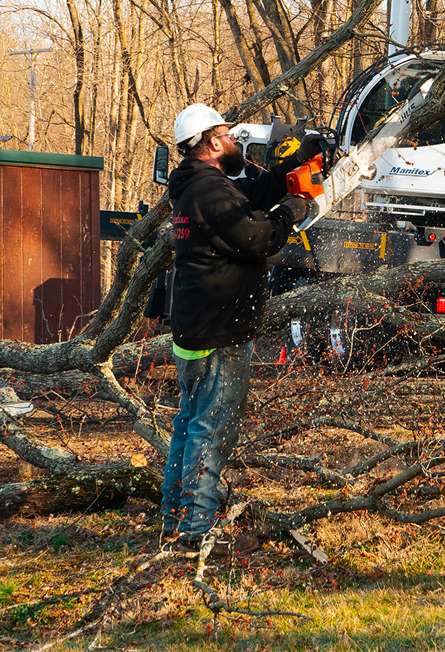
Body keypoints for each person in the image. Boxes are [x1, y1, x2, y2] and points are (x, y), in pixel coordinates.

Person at [161, 103, 319, 554]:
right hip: (220, 332)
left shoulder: (198, 188)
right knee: (211, 430)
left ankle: (175, 520)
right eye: (229, 136)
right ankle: (194, 532)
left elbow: (249, 194)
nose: (234, 142)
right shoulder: (210, 193)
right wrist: (291, 210)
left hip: (197, 329)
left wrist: (286, 169)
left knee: (189, 423)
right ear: (212, 143)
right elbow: (258, 238)